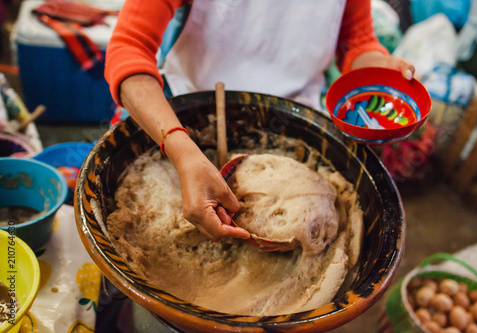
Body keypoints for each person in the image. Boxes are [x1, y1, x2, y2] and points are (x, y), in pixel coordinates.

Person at [104, 0, 414, 242]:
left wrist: (379, 69)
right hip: (190, 124)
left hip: (298, 122)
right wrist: (182, 151)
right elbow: (129, 48)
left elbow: (357, 41)